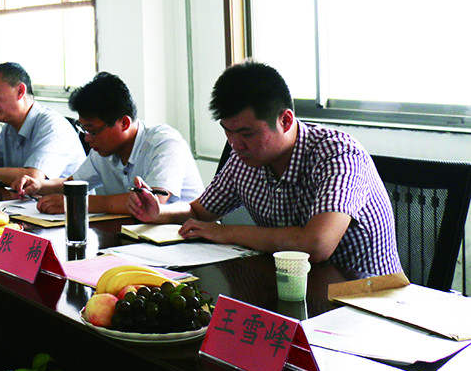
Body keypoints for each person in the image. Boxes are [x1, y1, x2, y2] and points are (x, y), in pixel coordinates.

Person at [128, 61, 402, 279]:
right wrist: (159, 212)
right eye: (227, 131)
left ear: (285, 120)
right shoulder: (245, 158)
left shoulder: (337, 154)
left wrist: (225, 232)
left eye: (246, 133)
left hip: (367, 299)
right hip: (291, 286)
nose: (235, 144)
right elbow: (199, 211)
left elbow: (316, 245)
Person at [15, 72, 202, 215]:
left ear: (124, 123)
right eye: (84, 130)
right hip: (136, 236)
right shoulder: (103, 150)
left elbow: (150, 203)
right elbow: (72, 184)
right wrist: (40, 185)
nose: (87, 138)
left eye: (93, 131)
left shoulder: (164, 144)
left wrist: (77, 203)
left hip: (186, 240)